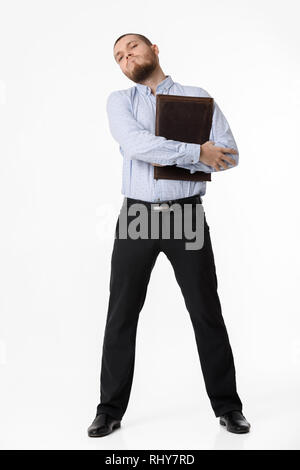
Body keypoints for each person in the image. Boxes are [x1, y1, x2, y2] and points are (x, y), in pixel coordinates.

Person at [87, 33, 250, 437]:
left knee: (205, 310)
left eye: (133, 49)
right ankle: (109, 410)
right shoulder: (120, 101)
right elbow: (135, 145)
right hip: (137, 215)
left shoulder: (198, 98)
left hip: (186, 215)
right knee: (122, 314)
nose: (127, 59)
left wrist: (207, 155)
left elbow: (229, 154)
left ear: (154, 49)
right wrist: (197, 153)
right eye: (119, 57)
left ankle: (229, 408)